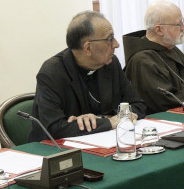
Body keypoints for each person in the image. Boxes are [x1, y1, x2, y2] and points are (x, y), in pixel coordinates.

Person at [29, 10, 147, 142]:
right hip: (58, 152)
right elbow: (54, 128)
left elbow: (138, 105)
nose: (116, 44)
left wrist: (104, 120)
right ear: (88, 48)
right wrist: (108, 122)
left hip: (104, 143)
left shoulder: (110, 64)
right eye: (109, 39)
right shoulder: (52, 72)